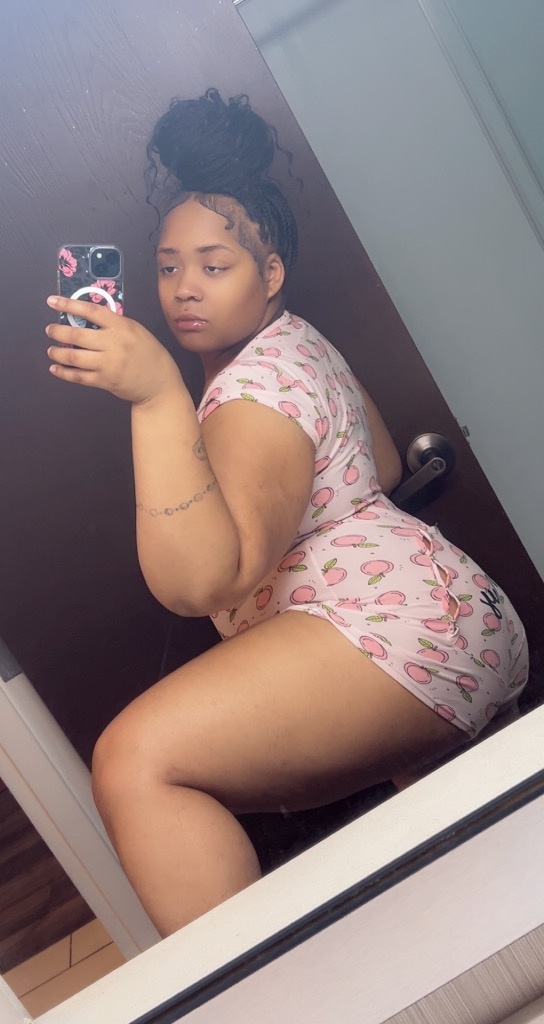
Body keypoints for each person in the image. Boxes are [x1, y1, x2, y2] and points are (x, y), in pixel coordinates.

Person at [45, 89, 528, 937]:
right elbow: (380, 466)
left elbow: (206, 580)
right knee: (479, 900)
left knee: (133, 762)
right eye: (168, 267)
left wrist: (155, 395)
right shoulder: (295, 342)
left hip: (394, 634)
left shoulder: (253, 389)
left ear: (269, 275)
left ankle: (261, 994)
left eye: (214, 266)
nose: (184, 289)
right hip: (448, 613)